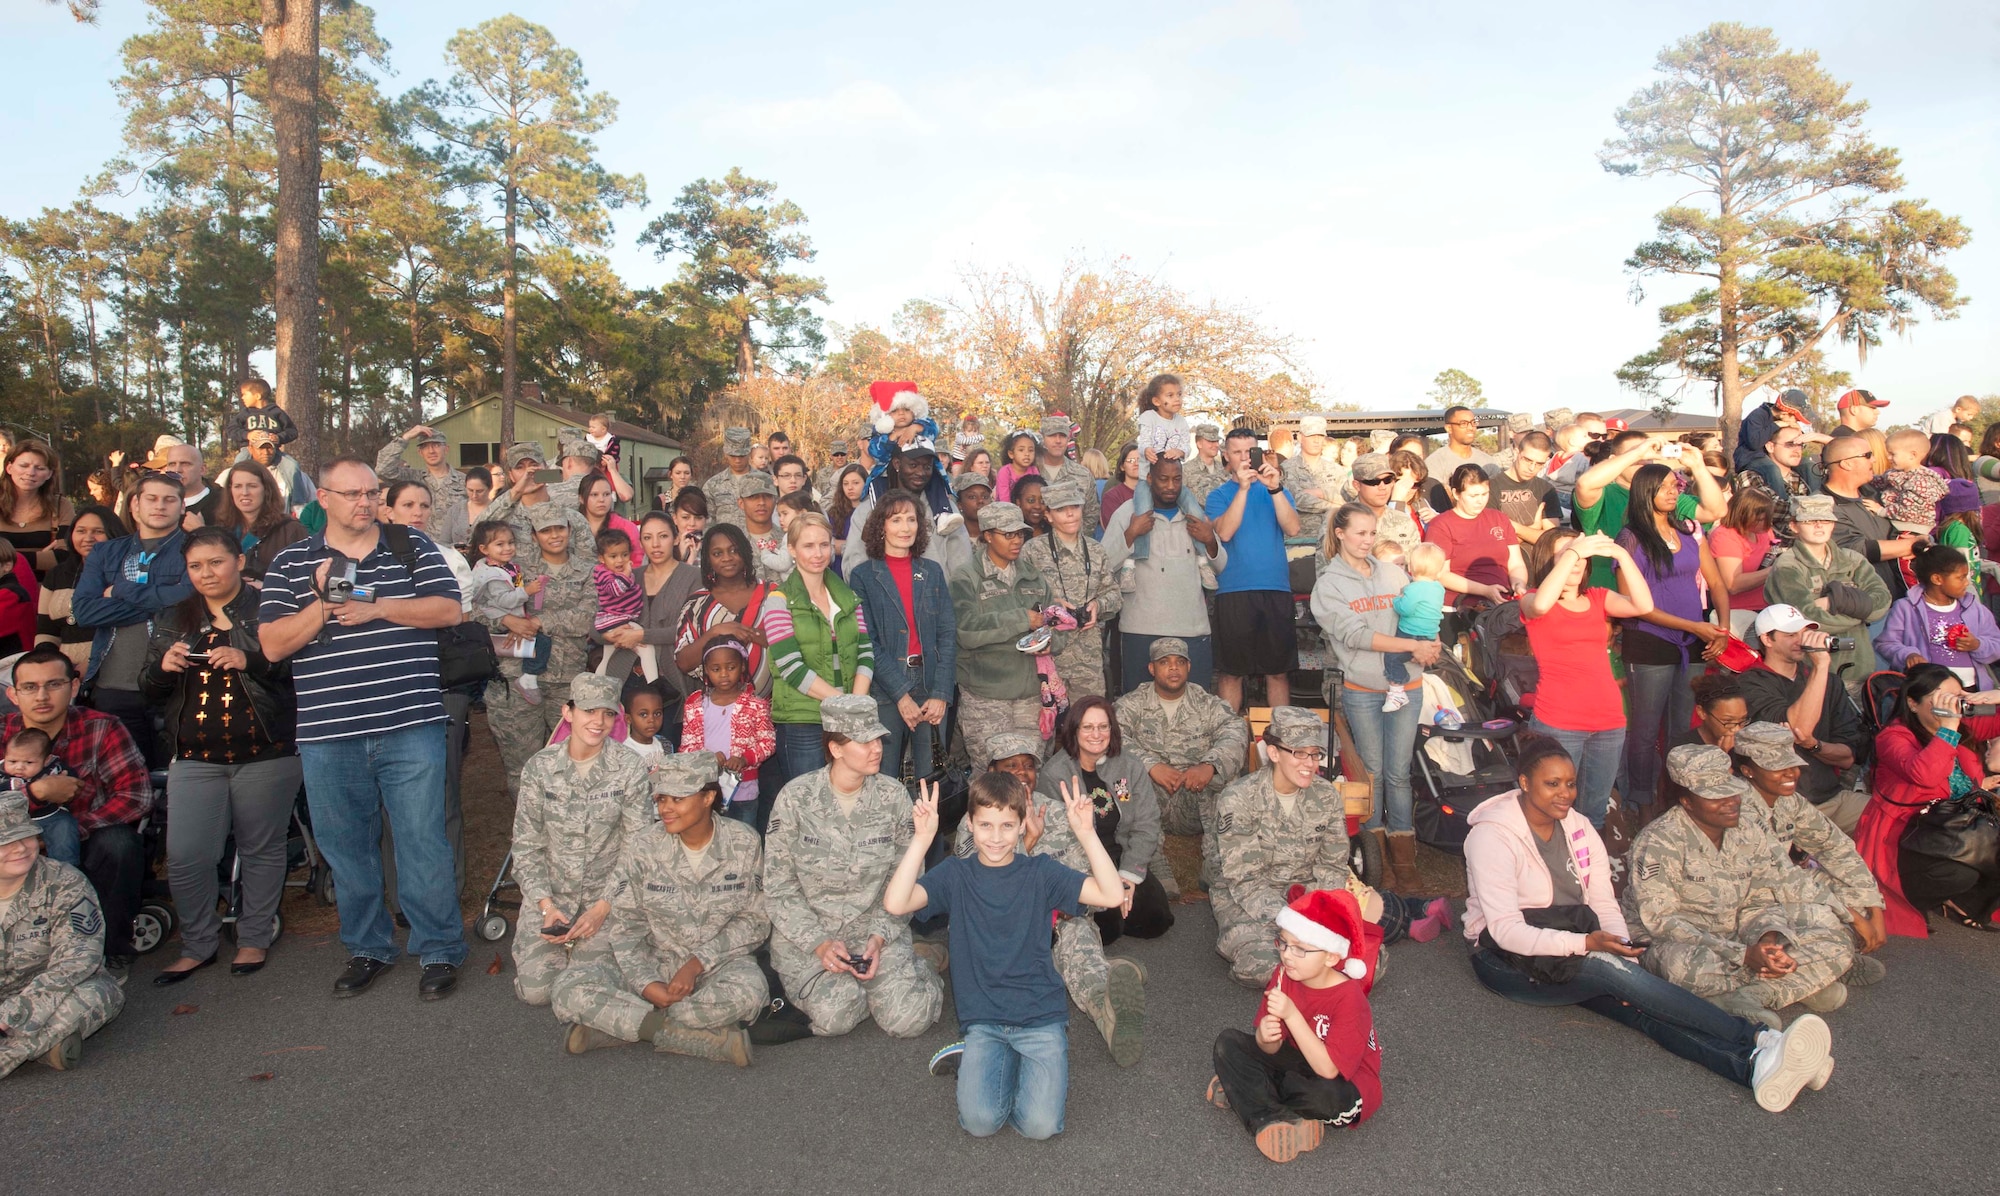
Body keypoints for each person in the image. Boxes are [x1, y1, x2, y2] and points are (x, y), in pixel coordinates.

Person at [1462, 738, 1835, 1112]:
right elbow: (1505, 930)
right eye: (1552, 783)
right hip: (1507, 959)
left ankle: (1752, 1068)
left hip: (1574, 940)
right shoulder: (1491, 836)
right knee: (1613, 973)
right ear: (1524, 782)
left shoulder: (1576, 827)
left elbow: (1602, 903)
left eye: (1571, 783)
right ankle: (1760, 1038)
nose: (1565, 794)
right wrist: (1591, 948)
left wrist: (1629, 965)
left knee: (1640, 1007)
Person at [257, 457, 468, 1001]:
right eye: (351, 494)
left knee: (423, 840)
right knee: (347, 847)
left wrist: (376, 607)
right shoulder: (290, 562)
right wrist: (323, 606)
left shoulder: (410, 547)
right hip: (330, 732)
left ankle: (439, 948)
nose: (364, 503)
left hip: (411, 723)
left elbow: (448, 611)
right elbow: (275, 644)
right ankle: (368, 947)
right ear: (321, 498)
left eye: (371, 493)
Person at [884, 768, 1127, 1139]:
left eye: (1007, 827)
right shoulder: (955, 875)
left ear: (1022, 824)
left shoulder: (1040, 873)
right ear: (970, 823)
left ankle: (995, 1064)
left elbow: (1111, 895)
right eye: (985, 826)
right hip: (984, 1020)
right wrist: (921, 841)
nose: (996, 838)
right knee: (981, 1122)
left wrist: (1087, 833)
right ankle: (980, 1057)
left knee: (1040, 1126)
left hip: (1040, 1017)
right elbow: (897, 902)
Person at [138, 525, 300, 985]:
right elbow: (147, 689)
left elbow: (296, 671)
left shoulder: (270, 607)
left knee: (260, 848)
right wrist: (162, 670)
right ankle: (198, 945)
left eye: (216, 562)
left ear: (240, 562)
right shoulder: (175, 616)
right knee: (187, 854)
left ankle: (253, 937)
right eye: (195, 566)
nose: (206, 574)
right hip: (194, 756)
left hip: (266, 750)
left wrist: (250, 658)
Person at [551, 752, 767, 1065]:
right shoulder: (644, 845)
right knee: (568, 988)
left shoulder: (744, 842)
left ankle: (620, 1026)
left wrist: (696, 964)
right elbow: (627, 925)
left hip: (715, 965)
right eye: (661, 797)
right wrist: (646, 984)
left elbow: (755, 921)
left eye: (677, 798)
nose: (664, 808)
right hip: (653, 959)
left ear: (708, 797)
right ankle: (675, 1031)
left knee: (750, 992)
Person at [1624, 744, 1857, 1022]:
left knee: (1836, 939)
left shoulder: (1747, 829)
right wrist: (1744, 955)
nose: (1731, 802)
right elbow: (1662, 923)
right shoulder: (1659, 841)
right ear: (1686, 801)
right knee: (1680, 967)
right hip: (1681, 943)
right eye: (1716, 797)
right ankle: (1795, 983)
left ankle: (1753, 994)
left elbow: (1759, 899)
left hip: (1737, 933)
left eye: (1732, 792)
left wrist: (1766, 941)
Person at [762, 695, 946, 1039]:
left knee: (909, 1020)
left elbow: (903, 881)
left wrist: (878, 939)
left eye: (877, 738)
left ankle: (922, 962)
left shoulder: (892, 797)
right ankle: (873, 986)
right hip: (810, 934)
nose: (877, 748)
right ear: (835, 749)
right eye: (864, 742)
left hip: (874, 928)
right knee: (835, 1016)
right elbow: (778, 887)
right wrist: (819, 943)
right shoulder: (796, 799)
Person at [1311, 504, 1441, 885]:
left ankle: (1405, 857)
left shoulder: (1392, 572)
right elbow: (1353, 635)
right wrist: (1409, 646)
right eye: (1359, 533)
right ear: (1340, 534)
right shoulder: (1329, 584)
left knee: (1399, 772)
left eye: (1372, 533)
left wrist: (1429, 642)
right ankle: (1375, 856)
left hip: (1408, 685)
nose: (1367, 540)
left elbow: (1421, 613)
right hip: (1364, 689)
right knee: (1371, 773)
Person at [509, 673, 653, 1012]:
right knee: (537, 992)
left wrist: (604, 908)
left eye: (607, 713)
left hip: (606, 900)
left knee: (590, 983)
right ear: (568, 712)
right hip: (551, 899)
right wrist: (545, 908)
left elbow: (638, 849)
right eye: (589, 711)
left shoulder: (628, 767)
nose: (598, 722)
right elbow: (526, 846)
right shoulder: (540, 768)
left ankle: (595, 967)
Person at [5, 644, 154, 973]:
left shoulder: (103, 727)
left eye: (53, 684)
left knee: (119, 844)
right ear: (14, 695)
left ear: (73, 686)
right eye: (30, 687)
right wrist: (37, 792)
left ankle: (108, 951)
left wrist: (73, 830)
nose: (42, 696)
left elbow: (137, 796)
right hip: (9, 846)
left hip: (87, 841)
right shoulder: (2, 734)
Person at [1205, 887, 1382, 1163]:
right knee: (1228, 1043)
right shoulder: (1284, 974)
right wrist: (1265, 1036)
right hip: (1298, 1064)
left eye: (1300, 949)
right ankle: (1272, 1116)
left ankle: (1249, 1093)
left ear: (1331, 957)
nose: (1287, 955)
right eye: (1284, 943)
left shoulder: (1350, 999)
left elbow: (1327, 1069)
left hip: (1345, 1083)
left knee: (1319, 1094)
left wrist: (1292, 1015)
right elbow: (1271, 1048)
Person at [1518, 529, 1655, 828]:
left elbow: (1643, 606)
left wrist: (1621, 554)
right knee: (1550, 811)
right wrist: (1574, 551)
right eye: (1566, 551)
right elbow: (1541, 605)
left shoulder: (1597, 598)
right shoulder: (1532, 599)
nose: (1577, 557)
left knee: (1593, 814)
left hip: (1608, 722)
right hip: (1559, 721)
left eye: (1581, 552)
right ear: (1549, 560)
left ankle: (1583, 871)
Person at [1728, 722, 1887, 971]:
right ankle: (1808, 967)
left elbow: (1835, 846)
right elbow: (1781, 878)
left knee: (1857, 897)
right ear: (1748, 771)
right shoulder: (1736, 808)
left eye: (1793, 764)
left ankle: (1827, 961)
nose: (1791, 774)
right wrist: (1853, 918)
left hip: (1779, 890)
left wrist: (1874, 909)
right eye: (1777, 768)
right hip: (1745, 901)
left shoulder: (1788, 800)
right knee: (1829, 916)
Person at [1618, 463, 1730, 818]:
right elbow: (1637, 605)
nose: (1673, 491)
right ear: (1644, 492)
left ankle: (1677, 795)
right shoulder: (1630, 538)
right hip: (1650, 643)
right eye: (1664, 486)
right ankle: (1642, 799)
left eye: (1675, 485)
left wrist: (1722, 628)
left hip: (1695, 641)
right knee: (1646, 728)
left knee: (1683, 726)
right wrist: (1696, 627)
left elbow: (1715, 582)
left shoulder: (1688, 533)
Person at [1211, 707, 1352, 988]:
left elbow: (1332, 866)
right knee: (1261, 965)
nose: (1310, 764)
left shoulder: (1326, 797)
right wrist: (1294, 922)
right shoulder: (1238, 799)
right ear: (1274, 753)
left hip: (1309, 899)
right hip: (1250, 900)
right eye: (1299, 753)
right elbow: (1244, 879)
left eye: (1314, 754)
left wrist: (1314, 914)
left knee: (1368, 958)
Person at [1856, 664, 2000, 935]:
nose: (1953, 704)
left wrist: (1998, 695)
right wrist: (1948, 728)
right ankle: (1923, 896)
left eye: (1957, 696)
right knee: (1961, 868)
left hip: (1957, 828)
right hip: (1909, 837)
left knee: (1976, 851)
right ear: (1913, 703)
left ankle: (1966, 900)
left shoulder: (1963, 723)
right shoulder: (1894, 736)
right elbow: (1925, 774)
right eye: (1943, 697)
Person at [754, 512, 873, 829]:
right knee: (811, 813)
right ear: (791, 549)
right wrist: (843, 704)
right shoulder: (778, 600)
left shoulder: (847, 595)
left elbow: (864, 650)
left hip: (848, 716)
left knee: (850, 807)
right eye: (808, 545)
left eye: (824, 544)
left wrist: (856, 705)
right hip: (803, 721)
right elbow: (791, 666)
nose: (818, 553)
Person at [0, 794, 125, 1077]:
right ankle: (48, 1046)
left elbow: (78, 960)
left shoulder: (64, 882)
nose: (20, 848)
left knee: (97, 996)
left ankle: (13, 1053)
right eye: (5, 841)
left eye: (27, 836)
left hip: (56, 990)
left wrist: (16, 1012)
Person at [73, 468, 190, 766]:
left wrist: (121, 589)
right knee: (124, 778)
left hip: (177, 685)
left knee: (178, 781)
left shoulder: (196, 550)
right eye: (151, 498)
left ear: (183, 506)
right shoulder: (104, 553)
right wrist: (163, 598)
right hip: (113, 686)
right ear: (134, 505)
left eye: (169, 499)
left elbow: (191, 599)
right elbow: (85, 611)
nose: (160, 506)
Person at [485, 504, 599, 796]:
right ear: (534, 536)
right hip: (516, 680)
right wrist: (507, 619)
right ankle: (527, 835)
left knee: (572, 764)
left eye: (559, 528)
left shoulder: (588, 570)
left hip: (566, 680)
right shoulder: (514, 570)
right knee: (521, 767)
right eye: (545, 530)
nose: (554, 535)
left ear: (570, 531)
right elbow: (477, 609)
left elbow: (587, 618)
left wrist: (538, 621)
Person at [848, 490, 957, 787]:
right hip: (886, 689)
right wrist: (900, 694)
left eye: (911, 519)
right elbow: (867, 641)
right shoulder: (863, 576)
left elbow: (948, 634)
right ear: (880, 527)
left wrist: (942, 694)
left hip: (931, 684)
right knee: (880, 779)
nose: (905, 527)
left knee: (929, 783)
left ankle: (929, 836)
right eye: (896, 520)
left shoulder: (932, 572)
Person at [1115, 636, 1246, 882]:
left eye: (1180, 662)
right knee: (1122, 781)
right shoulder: (1133, 703)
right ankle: (1150, 859)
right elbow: (1112, 737)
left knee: (1228, 780)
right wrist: (1150, 765)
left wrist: (1209, 766)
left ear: (1189, 667)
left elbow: (1235, 731)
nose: (1173, 668)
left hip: (1193, 801)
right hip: (1147, 801)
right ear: (1152, 669)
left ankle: (1217, 860)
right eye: (1165, 662)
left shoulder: (1206, 703)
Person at [951, 502, 1061, 767]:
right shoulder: (966, 578)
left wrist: (1050, 642)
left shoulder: (1034, 578)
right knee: (991, 779)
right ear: (988, 535)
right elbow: (965, 629)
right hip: (985, 699)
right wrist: (1021, 619)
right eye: (1008, 534)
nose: (1017, 541)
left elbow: (1057, 625)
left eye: (1020, 534)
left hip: (1031, 697)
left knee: (1030, 775)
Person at [1102, 458, 1224, 691]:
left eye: (1177, 479)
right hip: (1141, 631)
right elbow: (1103, 565)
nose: (1171, 486)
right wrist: (1131, 534)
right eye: (1163, 479)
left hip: (1192, 630)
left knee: (1194, 709)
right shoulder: (1129, 513)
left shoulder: (1194, 513)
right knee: (1138, 710)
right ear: (1149, 479)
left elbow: (1221, 566)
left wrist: (1209, 540)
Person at [1206, 428, 1301, 712]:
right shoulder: (1218, 494)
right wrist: (1244, 489)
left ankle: (1281, 739)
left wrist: (1274, 487)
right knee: (1231, 672)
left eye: (1250, 451)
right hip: (1233, 590)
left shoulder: (1277, 490)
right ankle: (1228, 740)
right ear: (1226, 456)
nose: (1245, 457)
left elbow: (1294, 528)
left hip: (1275, 589)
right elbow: (1224, 532)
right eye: (1237, 452)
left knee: (1278, 670)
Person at [1765, 494, 1892, 685]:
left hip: (1859, 668)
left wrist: (1835, 603)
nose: (1819, 526)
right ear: (1794, 526)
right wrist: (1860, 609)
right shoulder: (1787, 566)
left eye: (1825, 520)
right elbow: (1806, 617)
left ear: (1833, 524)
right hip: (1810, 674)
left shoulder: (1853, 560)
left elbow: (1882, 602)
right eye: (1810, 520)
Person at [1575, 434, 1727, 588]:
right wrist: (1638, 453)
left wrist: (1698, 466)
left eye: (1649, 454)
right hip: (1611, 597)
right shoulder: (1604, 494)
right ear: (1614, 458)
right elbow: (1585, 484)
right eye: (1635, 453)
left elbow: (1715, 511)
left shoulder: (1668, 497)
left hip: (1661, 598)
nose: (1644, 459)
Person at [1023, 482, 1119, 701]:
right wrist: (1050, 604)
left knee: (1085, 728)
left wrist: (1098, 606)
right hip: (1046, 658)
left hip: (1088, 662)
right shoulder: (1033, 551)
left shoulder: (1096, 550)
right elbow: (1018, 598)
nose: (1070, 514)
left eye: (1075, 506)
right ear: (1047, 515)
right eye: (1060, 509)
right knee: (1043, 731)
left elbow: (1114, 594)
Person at [602, 512, 702, 711]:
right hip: (624, 679)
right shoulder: (628, 576)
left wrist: (642, 635)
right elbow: (596, 626)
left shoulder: (693, 576)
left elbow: (692, 629)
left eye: (663, 536)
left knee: (667, 740)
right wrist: (610, 633)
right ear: (640, 542)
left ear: (675, 538)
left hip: (670, 684)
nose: (655, 544)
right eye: (648, 538)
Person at [1877, 544, 2000, 690]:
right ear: (1937, 579)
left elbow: (1996, 644)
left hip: (1971, 690)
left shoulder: (1975, 609)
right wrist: (1908, 655)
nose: (1966, 583)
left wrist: (1977, 645)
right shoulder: (1906, 608)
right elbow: (1885, 644)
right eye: (1960, 578)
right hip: (1927, 691)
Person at [679, 638, 773, 824]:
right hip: (707, 788)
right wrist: (707, 758)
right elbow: (686, 748)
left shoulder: (756, 705)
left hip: (744, 789)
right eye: (716, 669)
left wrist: (745, 758)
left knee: (744, 835)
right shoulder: (695, 705)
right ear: (706, 670)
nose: (724, 674)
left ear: (742, 667)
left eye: (731, 667)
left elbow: (768, 743)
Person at [673, 525, 774, 694]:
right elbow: (683, 662)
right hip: (717, 709)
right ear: (708, 559)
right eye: (717, 553)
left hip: (775, 708)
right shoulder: (697, 603)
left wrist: (751, 634)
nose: (727, 558)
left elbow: (795, 646)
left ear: (745, 552)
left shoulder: (773, 594)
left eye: (734, 550)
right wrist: (715, 632)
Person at [1819, 434, 1917, 607]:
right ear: (1846, 463)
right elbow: (1857, 550)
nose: (1874, 460)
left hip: (1901, 601)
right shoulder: (1823, 506)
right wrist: (1915, 544)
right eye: (1867, 455)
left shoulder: (1876, 494)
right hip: (1865, 608)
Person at [466, 520, 553, 704]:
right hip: (498, 620)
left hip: (511, 618)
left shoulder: (505, 567)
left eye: (511, 543)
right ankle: (529, 677)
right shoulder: (492, 575)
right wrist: (527, 592)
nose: (507, 548)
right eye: (500, 544)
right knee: (542, 642)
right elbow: (504, 600)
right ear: (484, 549)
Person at [1422, 464, 1525, 616]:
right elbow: (1441, 574)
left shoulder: (1499, 518)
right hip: (1459, 607)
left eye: (1485, 494)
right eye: (1473, 496)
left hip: (1503, 604)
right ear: (1456, 494)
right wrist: (1485, 590)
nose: (1480, 501)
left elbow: (1515, 563)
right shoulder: (1441, 525)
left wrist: (1519, 584)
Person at [35, 505, 120, 672]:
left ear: (114, 535)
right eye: (81, 531)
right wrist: (49, 664)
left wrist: (93, 663)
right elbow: (46, 631)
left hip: (111, 669)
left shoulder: (125, 573)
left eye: (98, 531)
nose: (88, 538)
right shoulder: (57, 574)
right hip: (62, 672)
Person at [213, 456, 310, 582]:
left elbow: (303, 580)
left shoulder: (290, 530)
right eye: (237, 486)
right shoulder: (222, 530)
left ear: (266, 489)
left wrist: (266, 588)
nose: (244, 492)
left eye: (252, 486)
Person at [1382, 542, 1447, 712]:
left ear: (1410, 567)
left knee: (1392, 657)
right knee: (1414, 657)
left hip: (1410, 633)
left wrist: (1397, 599)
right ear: (1440, 571)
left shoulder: (1413, 588)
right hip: (1430, 634)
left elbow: (1405, 609)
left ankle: (1397, 691)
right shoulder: (1439, 588)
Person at [0, 441, 75, 582]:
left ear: (49, 474)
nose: (31, 473)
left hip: (43, 594)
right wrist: (41, 556)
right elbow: (54, 557)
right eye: (24, 466)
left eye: (40, 468)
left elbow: (65, 556)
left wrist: (6, 558)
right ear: (9, 468)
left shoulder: (61, 506)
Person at [1708, 487, 1778, 637]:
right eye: (1759, 520)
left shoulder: (1764, 532)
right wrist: (1774, 570)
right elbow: (1733, 584)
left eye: (1767, 519)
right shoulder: (1725, 537)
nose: (1765, 525)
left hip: (1766, 607)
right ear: (1743, 515)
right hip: (1739, 613)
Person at [591, 528, 658, 683]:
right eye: (613, 556)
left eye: (624, 554)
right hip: (616, 620)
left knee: (608, 656)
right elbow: (616, 590)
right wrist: (627, 575)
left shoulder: (617, 572)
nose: (620, 560)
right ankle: (654, 683)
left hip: (618, 620)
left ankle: (598, 683)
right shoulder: (603, 574)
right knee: (647, 649)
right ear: (602, 558)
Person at [6, 728, 78, 866]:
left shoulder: (54, 769)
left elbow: (72, 783)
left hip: (51, 816)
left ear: (46, 760)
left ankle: (66, 868)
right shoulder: (3, 775)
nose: (19, 767)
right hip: (13, 821)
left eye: (29, 762)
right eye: (13, 761)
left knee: (65, 828)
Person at [1281, 416, 1353, 545]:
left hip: (1332, 542)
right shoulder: (1286, 469)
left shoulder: (1336, 470)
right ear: (1300, 437)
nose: (1316, 441)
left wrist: (1321, 493)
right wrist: (1336, 506)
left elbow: (1348, 498)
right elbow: (1297, 499)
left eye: (1320, 436)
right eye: (1311, 435)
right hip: (1298, 542)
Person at [1034, 416, 1101, 540]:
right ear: (1042, 437)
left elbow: (1091, 514)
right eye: (1052, 435)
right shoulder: (1030, 471)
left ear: (1068, 438)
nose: (1058, 440)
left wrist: (1074, 540)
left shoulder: (1083, 474)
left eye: (1062, 435)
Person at [1491, 430, 1561, 544]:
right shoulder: (1491, 487)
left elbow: (1552, 540)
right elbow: (1495, 540)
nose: (1532, 468)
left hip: (1539, 560)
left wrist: (1515, 528)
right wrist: (1535, 528)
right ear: (1516, 452)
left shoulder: (1546, 490)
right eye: (1528, 460)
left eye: (1539, 464)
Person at [238, 429, 316, 514]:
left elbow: (315, 507)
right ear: (250, 448)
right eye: (261, 448)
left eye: (270, 448)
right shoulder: (231, 476)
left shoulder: (296, 476)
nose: (266, 452)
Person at [735, 471, 788, 585]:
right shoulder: (732, 542)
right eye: (753, 497)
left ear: (776, 500)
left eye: (768, 496)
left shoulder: (789, 540)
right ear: (741, 503)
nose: (761, 502)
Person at [160, 440, 223, 531]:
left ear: (202, 469)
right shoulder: (159, 503)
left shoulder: (222, 502)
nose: (177, 470)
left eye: (185, 464)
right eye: (172, 464)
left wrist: (201, 531)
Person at [223, 377, 299, 449]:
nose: (242, 398)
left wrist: (279, 437)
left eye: (244, 394)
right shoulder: (246, 413)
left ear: (257, 396)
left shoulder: (276, 412)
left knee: (292, 463)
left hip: (272, 451)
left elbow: (292, 431)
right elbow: (231, 429)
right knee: (240, 462)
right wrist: (247, 435)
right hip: (249, 450)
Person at [579, 473, 642, 559]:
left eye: (606, 494)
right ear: (581, 498)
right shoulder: (572, 526)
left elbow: (637, 561)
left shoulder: (627, 528)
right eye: (594, 495)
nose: (601, 499)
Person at [704, 427, 757, 530]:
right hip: (724, 543)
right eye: (733, 455)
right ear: (725, 453)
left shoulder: (764, 482)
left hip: (758, 544)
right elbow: (707, 521)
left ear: (749, 453)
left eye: (741, 455)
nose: (737, 460)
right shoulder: (712, 485)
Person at [1100, 444, 1139, 530]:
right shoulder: (1112, 497)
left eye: (1140, 460)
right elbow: (1113, 530)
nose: (1136, 464)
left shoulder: (1154, 493)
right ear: (1122, 466)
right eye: (1131, 460)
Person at [995, 431, 1040, 505]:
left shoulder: (1034, 471)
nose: (1027, 454)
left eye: (1031, 450)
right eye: (1021, 450)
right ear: (1011, 454)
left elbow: (1038, 491)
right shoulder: (1005, 472)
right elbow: (1004, 498)